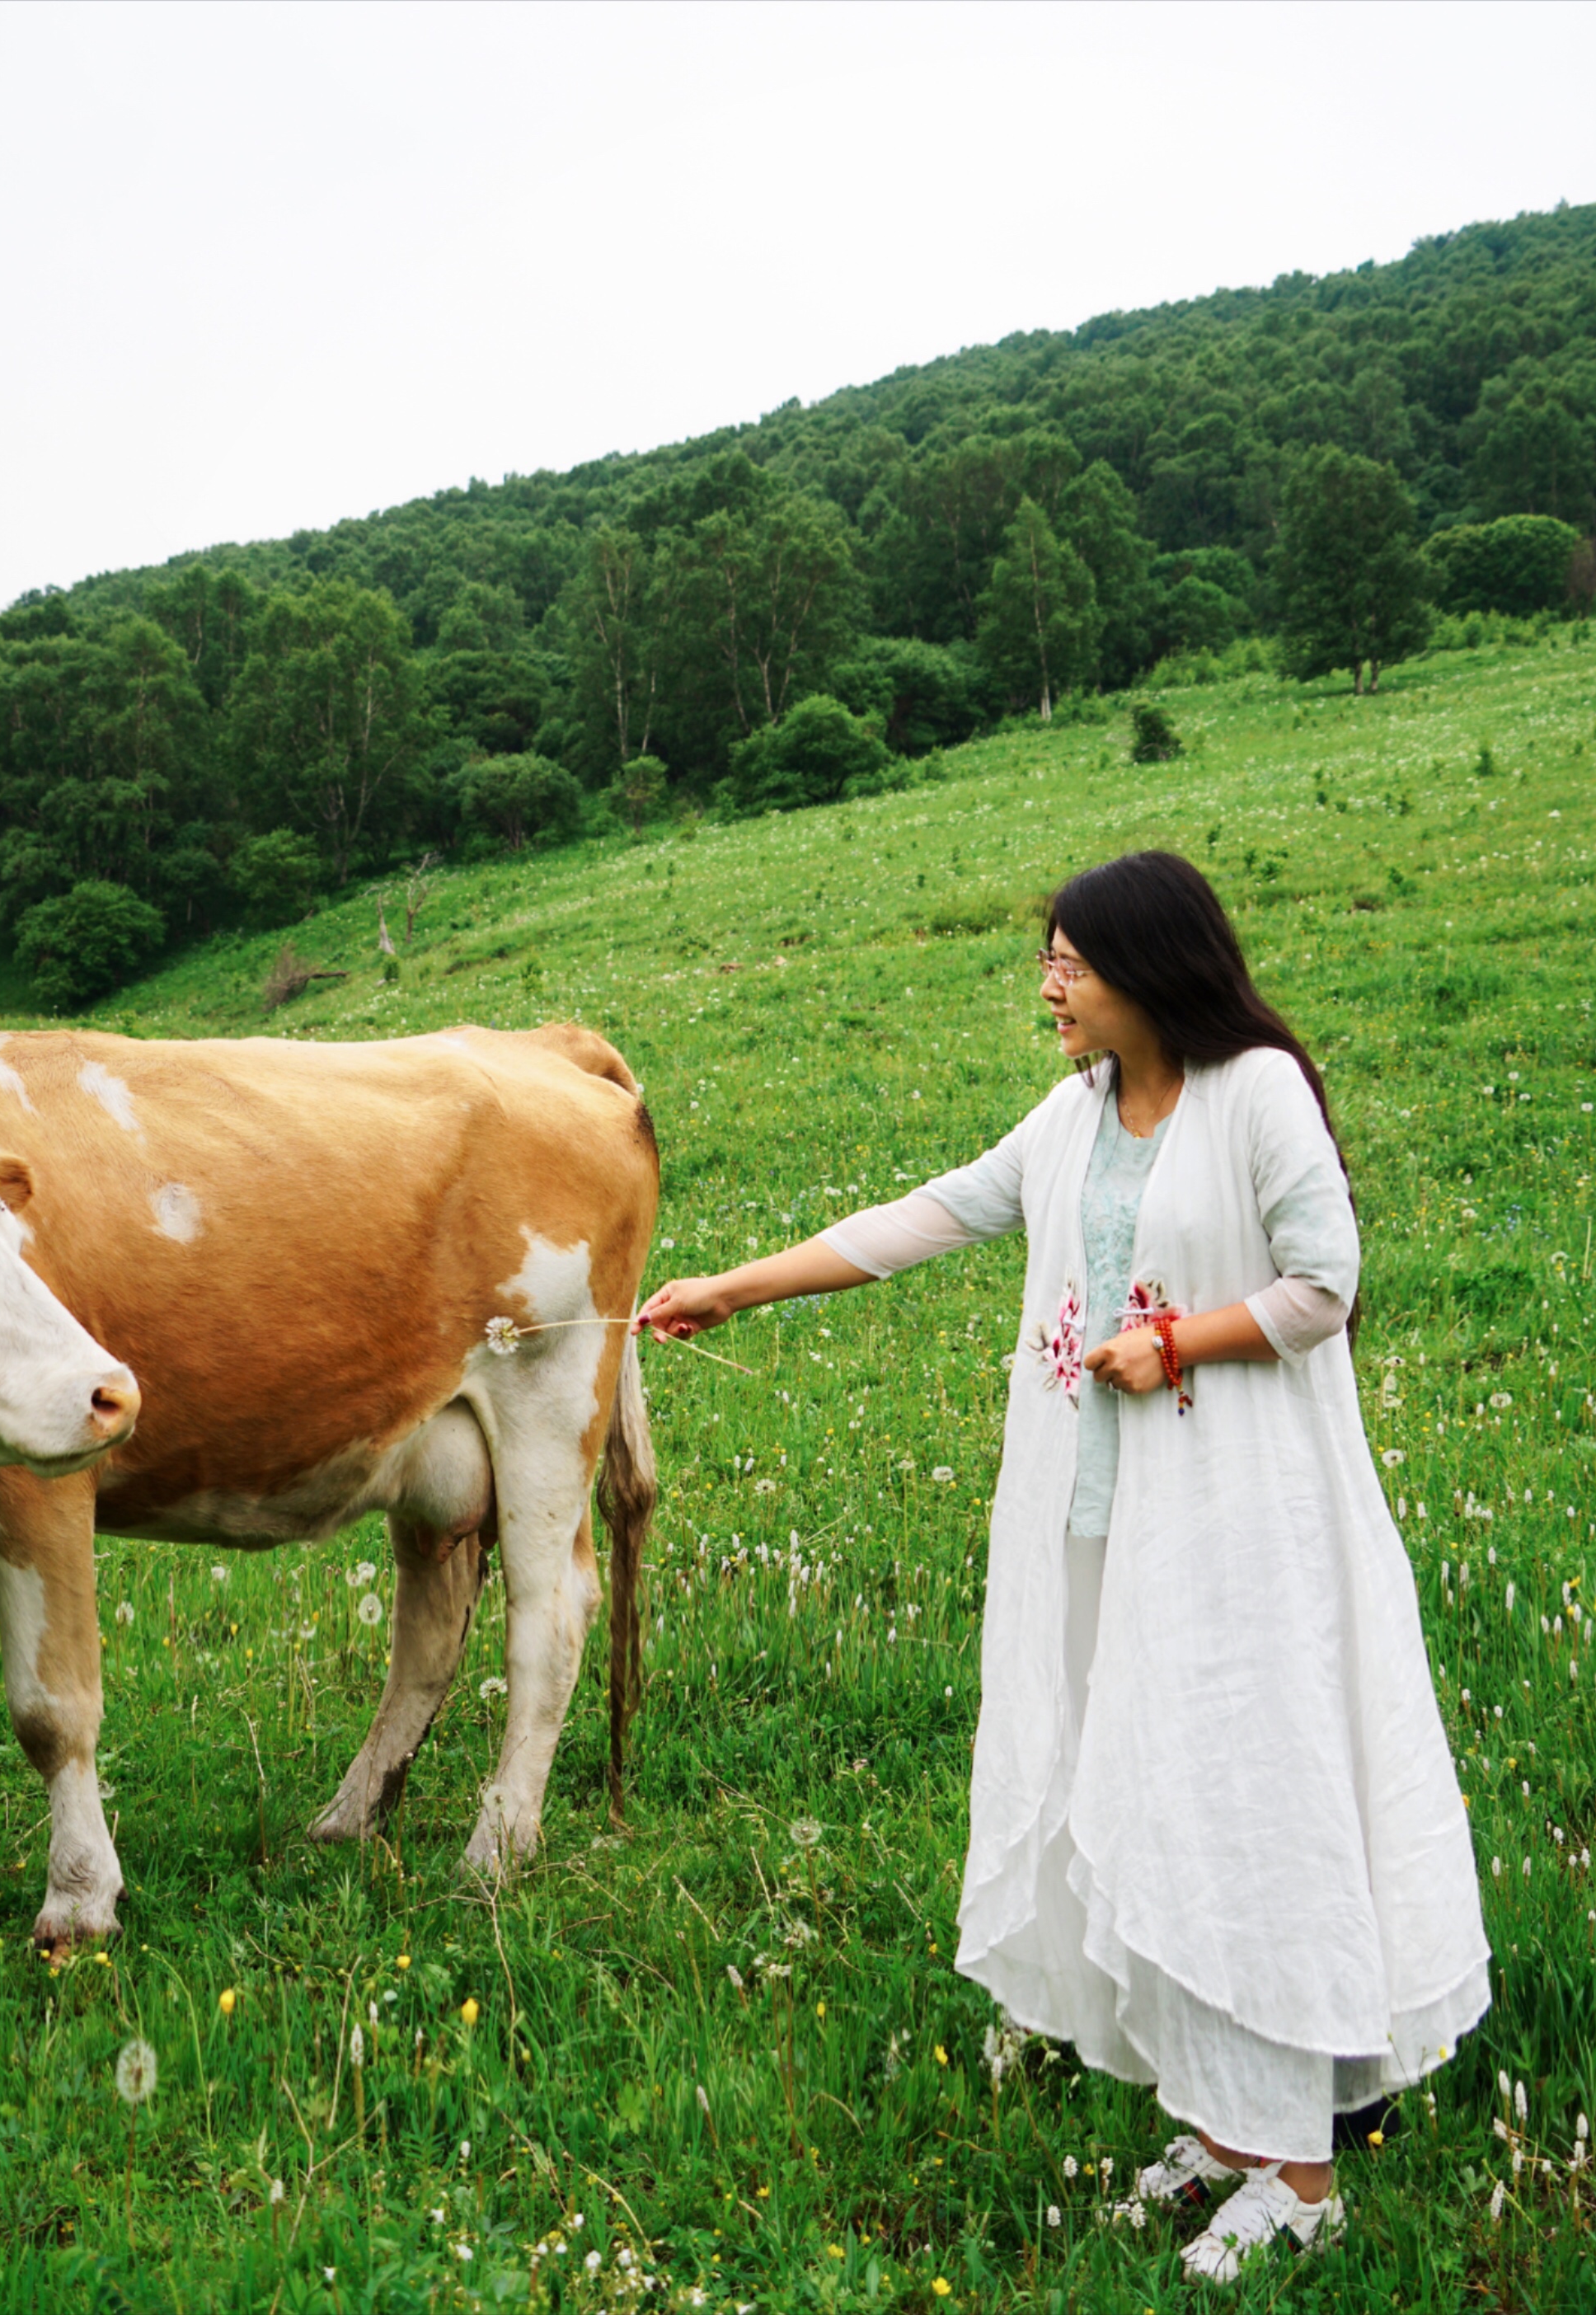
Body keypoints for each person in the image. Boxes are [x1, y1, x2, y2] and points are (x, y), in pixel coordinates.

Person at [636, 851, 1488, 2280]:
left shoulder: (1257, 1094)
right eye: (1047, 958)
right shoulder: (1074, 1116)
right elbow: (930, 1214)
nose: (1049, 985)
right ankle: (1224, 2128)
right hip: (1098, 1519)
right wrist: (736, 1286)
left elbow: (1325, 1284)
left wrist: (1175, 1340)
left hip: (1237, 1525)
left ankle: (1301, 2172)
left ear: (1151, 970)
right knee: (1147, 1787)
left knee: (1241, 1800)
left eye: (1071, 962)